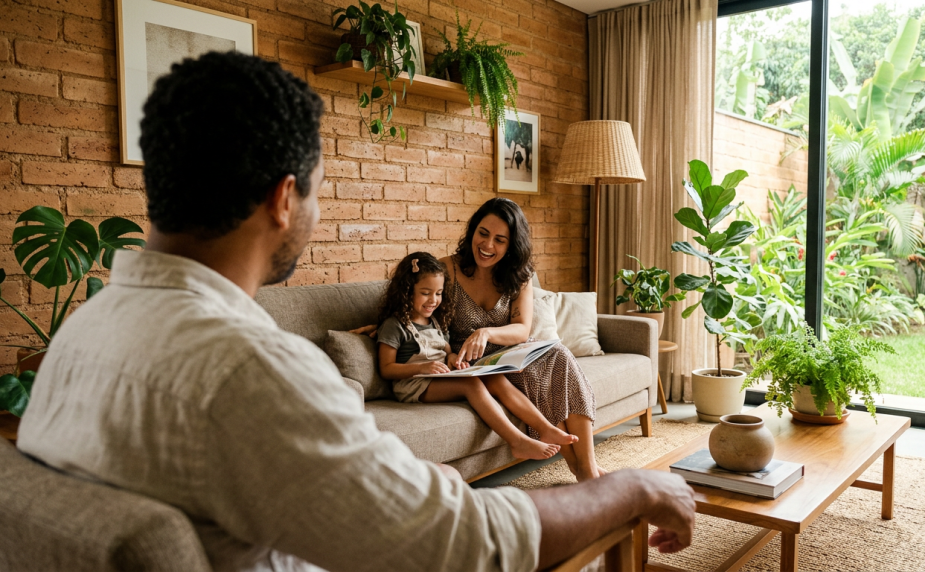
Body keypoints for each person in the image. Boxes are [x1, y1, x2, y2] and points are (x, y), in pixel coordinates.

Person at [16, 51, 696, 572]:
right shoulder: (249, 370)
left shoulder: (80, 333)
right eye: (317, 191)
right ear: (285, 199)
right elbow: (464, 544)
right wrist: (631, 489)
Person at [443, 198, 607, 482]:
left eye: (500, 240)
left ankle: (586, 468)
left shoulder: (519, 275)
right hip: (472, 366)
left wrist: (486, 332)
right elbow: (425, 317)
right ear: (472, 231)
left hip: (510, 355)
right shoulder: (447, 270)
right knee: (538, 378)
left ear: (511, 245)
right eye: (483, 233)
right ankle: (584, 473)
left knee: (559, 356)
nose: (488, 245)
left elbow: (521, 328)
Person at [376, 252, 577, 461]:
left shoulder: (435, 322)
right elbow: (386, 368)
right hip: (413, 384)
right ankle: (517, 442)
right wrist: (421, 368)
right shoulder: (395, 325)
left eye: (438, 293)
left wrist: (454, 359)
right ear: (407, 291)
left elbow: (446, 351)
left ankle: (545, 428)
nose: (433, 300)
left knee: (495, 378)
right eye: (426, 293)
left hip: (439, 376)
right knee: (471, 385)